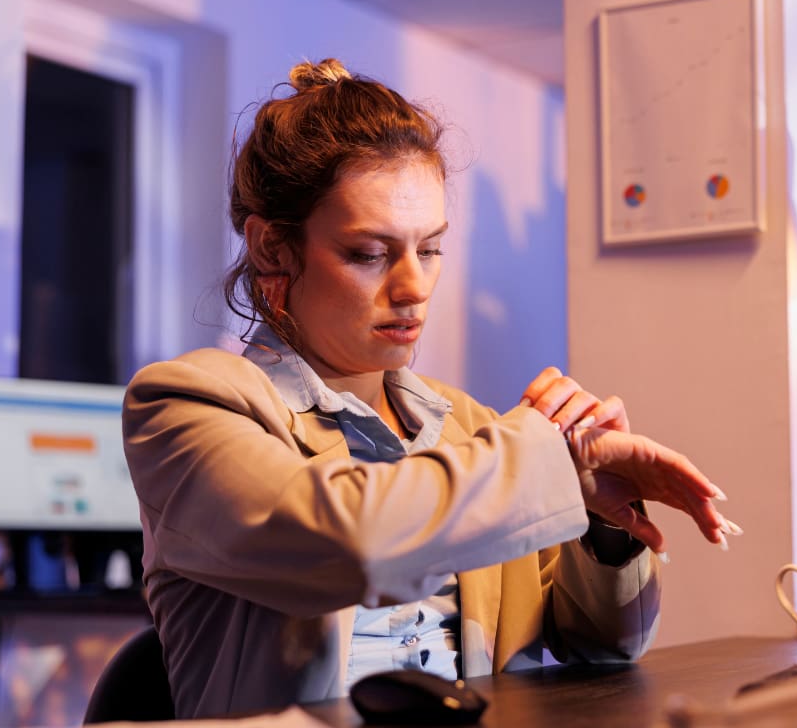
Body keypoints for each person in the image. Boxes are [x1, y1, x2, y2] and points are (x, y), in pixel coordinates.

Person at [122, 59, 740, 719]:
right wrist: (548, 454)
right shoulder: (184, 405)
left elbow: (600, 648)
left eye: (431, 249)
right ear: (273, 248)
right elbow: (350, 544)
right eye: (370, 253)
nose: (414, 287)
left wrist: (603, 525)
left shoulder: (470, 427)